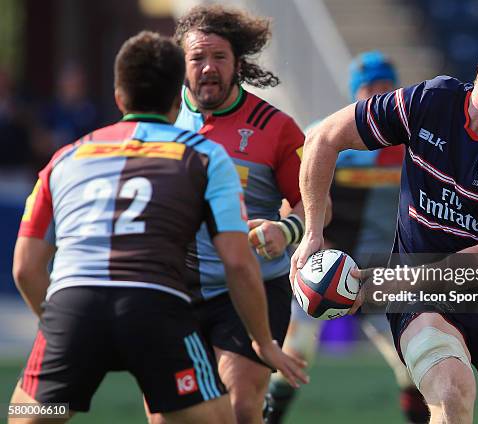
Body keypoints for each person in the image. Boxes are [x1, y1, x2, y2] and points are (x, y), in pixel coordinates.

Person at [292, 18, 478, 423]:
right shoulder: (432, 101)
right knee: (452, 394)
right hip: (420, 298)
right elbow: (324, 138)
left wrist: (381, 282)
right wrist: (312, 233)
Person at [8, 31, 305, 424]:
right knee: (219, 419)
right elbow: (238, 262)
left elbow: (25, 268)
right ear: (175, 101)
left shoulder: (66, 157)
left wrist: (59, 327)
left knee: (31, 415)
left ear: (118, 98)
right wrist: (264, 342)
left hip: (72, 303)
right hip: (156, 304)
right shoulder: (203, 156)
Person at [161, 5, 326, 423]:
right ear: (182, 63)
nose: (208, 68)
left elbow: (317, 201)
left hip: (253, 287)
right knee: (168, 415)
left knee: (238, 407)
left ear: (238, 64)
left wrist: (286, 229)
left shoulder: (275, 127)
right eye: (197, 58)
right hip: (176, 288)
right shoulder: (159, 119)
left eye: (219, 57)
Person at [266, 51, 428, 424]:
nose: (378, 92)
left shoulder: (413, 143)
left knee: (410, 362)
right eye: (370, 86)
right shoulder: (327, 135)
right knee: (295, 352)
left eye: (386, 85)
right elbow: (295, 200)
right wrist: (309, 238)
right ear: (355, 91)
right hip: (325, 267)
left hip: (382, 272)